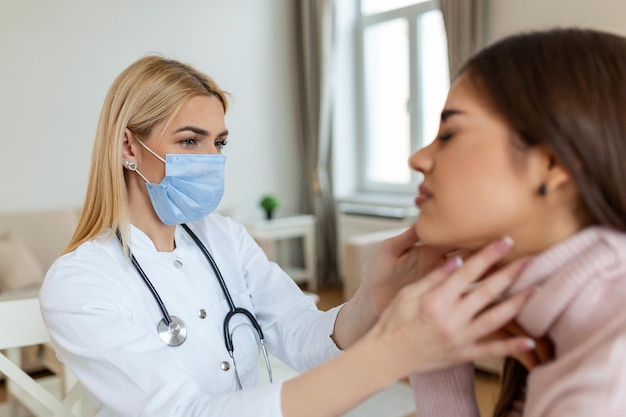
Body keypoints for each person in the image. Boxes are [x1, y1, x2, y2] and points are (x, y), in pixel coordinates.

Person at [38, 55, 534, 417]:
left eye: (220, 143)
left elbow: (303, 338)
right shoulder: (80, 281)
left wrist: (374, 294)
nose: (210, 159)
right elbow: (186, 414)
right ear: (128, 145)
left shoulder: (224, 238)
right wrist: (392, 356)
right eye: (190, 141)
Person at [408, 27, 626, 417]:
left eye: (450, 134)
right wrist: (434, 358)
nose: (418, 159)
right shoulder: (558, 318)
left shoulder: (608, 378)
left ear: (552, 164)